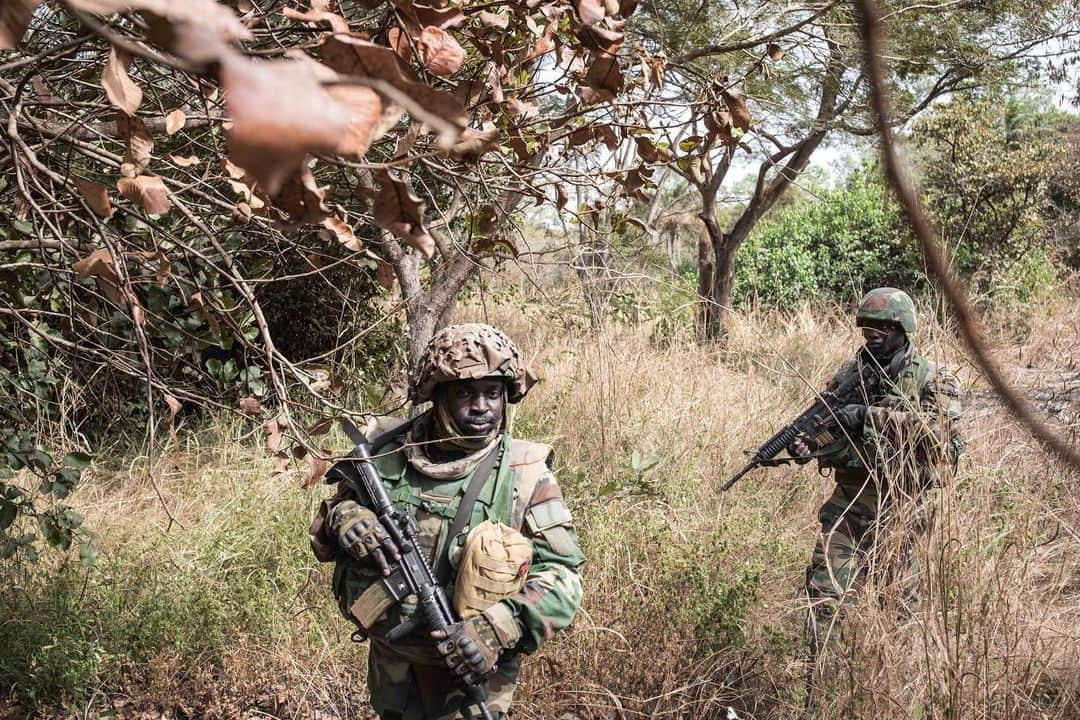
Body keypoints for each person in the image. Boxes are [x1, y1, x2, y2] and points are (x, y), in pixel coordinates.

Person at [309, 323, 585, 720]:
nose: (481, 407)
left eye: (493, 393)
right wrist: (349, 517)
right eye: (465, 393)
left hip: (473, 672)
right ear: (437, 397)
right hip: (395, 667)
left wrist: (495, 628)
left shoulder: (525, 474)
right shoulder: (385, 457)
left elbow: (563, 576)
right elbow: (327, 530)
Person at [789, 288, 963, 618]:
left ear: (902, 329)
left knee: (897, 607)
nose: (874, 334)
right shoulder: (849, 375)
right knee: (825, 597)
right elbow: (831, 427)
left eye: (883, 327)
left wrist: (867, 416)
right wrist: (811, 445)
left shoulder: (934, 377)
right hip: (849, 503)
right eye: (868, 325)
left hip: (902, 507)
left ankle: (892, 670)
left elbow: (938, 432)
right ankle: (823, 670)